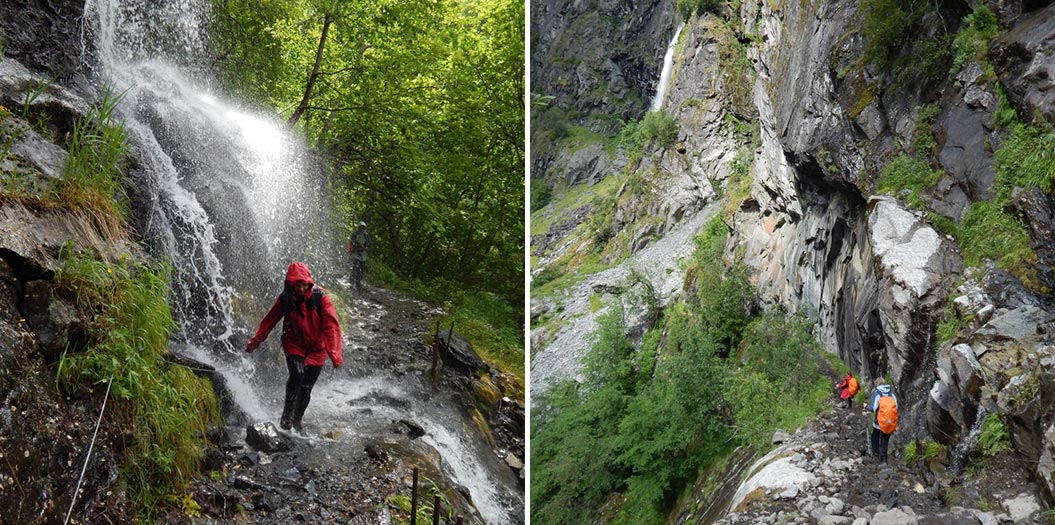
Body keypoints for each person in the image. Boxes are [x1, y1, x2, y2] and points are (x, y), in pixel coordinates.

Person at [245, 261, 342, 432]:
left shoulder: (321, 298)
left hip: (317, 349)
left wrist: (334, 353)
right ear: (291, 284)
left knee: (306, 387)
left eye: (304, 285)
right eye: (298, 285)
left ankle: (298, 419)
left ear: (309, 283)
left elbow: (331, 326)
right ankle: (287, 415)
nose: (302, 289)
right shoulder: (285, 299)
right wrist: (256, 341)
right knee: (297, 374)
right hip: (294, 343)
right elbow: (270, 320)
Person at [866, 378, 898, 464]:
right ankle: (884, 458)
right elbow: (896, 407)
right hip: (889, 421)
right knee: (885, 439)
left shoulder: (877, 393)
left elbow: (873, 408)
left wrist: (866, 406)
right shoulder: (891, 393)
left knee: (875, 436)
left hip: (878, 422)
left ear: (876, 384)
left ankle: (875, 454)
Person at [347, 221, 371, 286]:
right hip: (356, 253)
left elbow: (369, 243)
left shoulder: (366, 235)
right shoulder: (355, 234)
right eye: (361, 227)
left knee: (361, 269)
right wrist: (358, 247)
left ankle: (358, 282)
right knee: (355, 267)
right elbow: (352, 242)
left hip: (363, 255)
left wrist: (366, 247)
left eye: (363, 227)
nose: (362, 228)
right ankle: (352, 280)